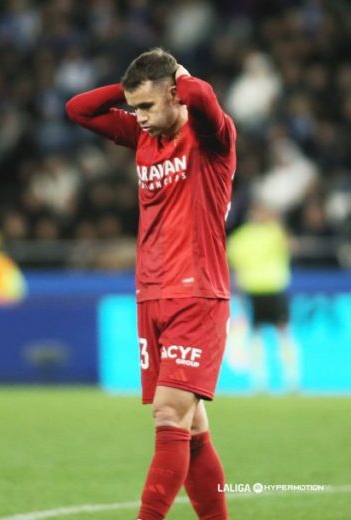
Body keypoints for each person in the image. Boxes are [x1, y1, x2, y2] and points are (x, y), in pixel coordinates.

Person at [66, 48, 235, 520]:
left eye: (147, 107)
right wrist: (134, 91)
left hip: (196, 294)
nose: (137, 117)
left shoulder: (211, 137)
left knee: (168, 414)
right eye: (133, 108)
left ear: (176, 96)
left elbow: (202, 95)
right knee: (193, 427)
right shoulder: (142, 138)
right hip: (151, 294)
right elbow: (78, 109)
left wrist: (178, 74)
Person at [228, 200, 300, 392]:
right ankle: (262, 380)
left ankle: (289, 379)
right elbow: (292, 246)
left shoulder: (258, 234)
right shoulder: (253, 235)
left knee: (275, 333)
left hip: (271, 289)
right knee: (262, 334)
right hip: (258, 290)